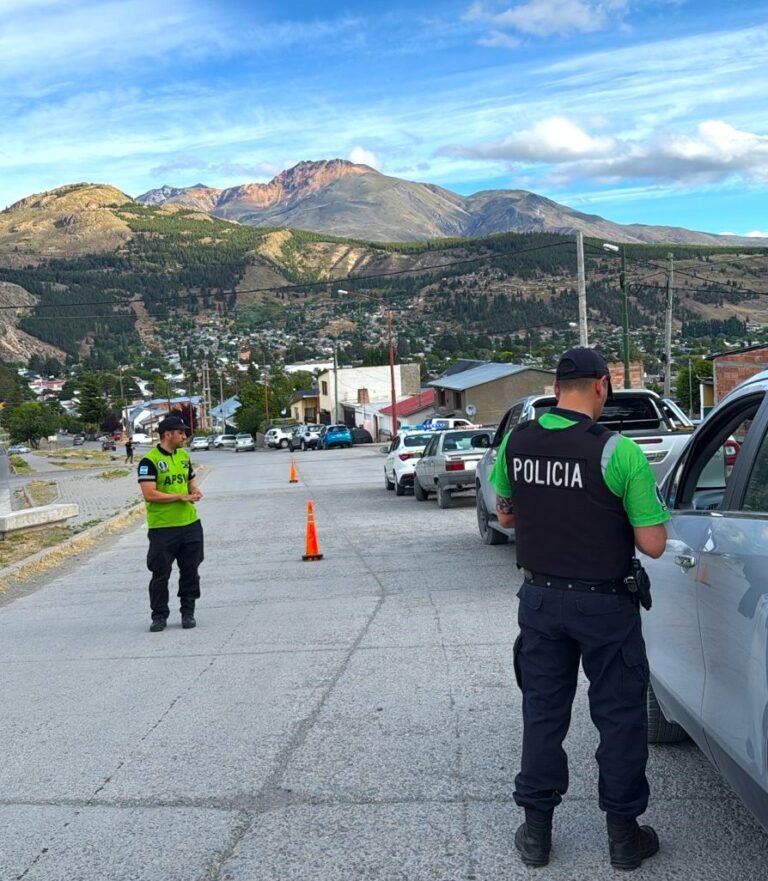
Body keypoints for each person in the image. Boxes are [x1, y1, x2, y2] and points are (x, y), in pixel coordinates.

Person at [489, 347, 669, 871]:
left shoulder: (516, 441)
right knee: (619, 719)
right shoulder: (618, 452)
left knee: (543, 714)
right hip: (605, 605)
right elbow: (653, 544)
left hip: (540, 599)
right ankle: (622, 837)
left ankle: (537, 835)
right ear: (602, 386)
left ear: (554, 387)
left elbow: (508, 515)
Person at [137, 415, 204, 632]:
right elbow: (149, 494)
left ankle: (188, 612)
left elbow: (189, 479)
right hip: (163, 527)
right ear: (168, 434)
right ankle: (159, 616)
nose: (184, 436)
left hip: (190, 523)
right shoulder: (150, 461)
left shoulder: (183, 455)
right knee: (160, 573)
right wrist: (179, 497)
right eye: (181, 432)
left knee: (190, 570)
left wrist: (194, 490)